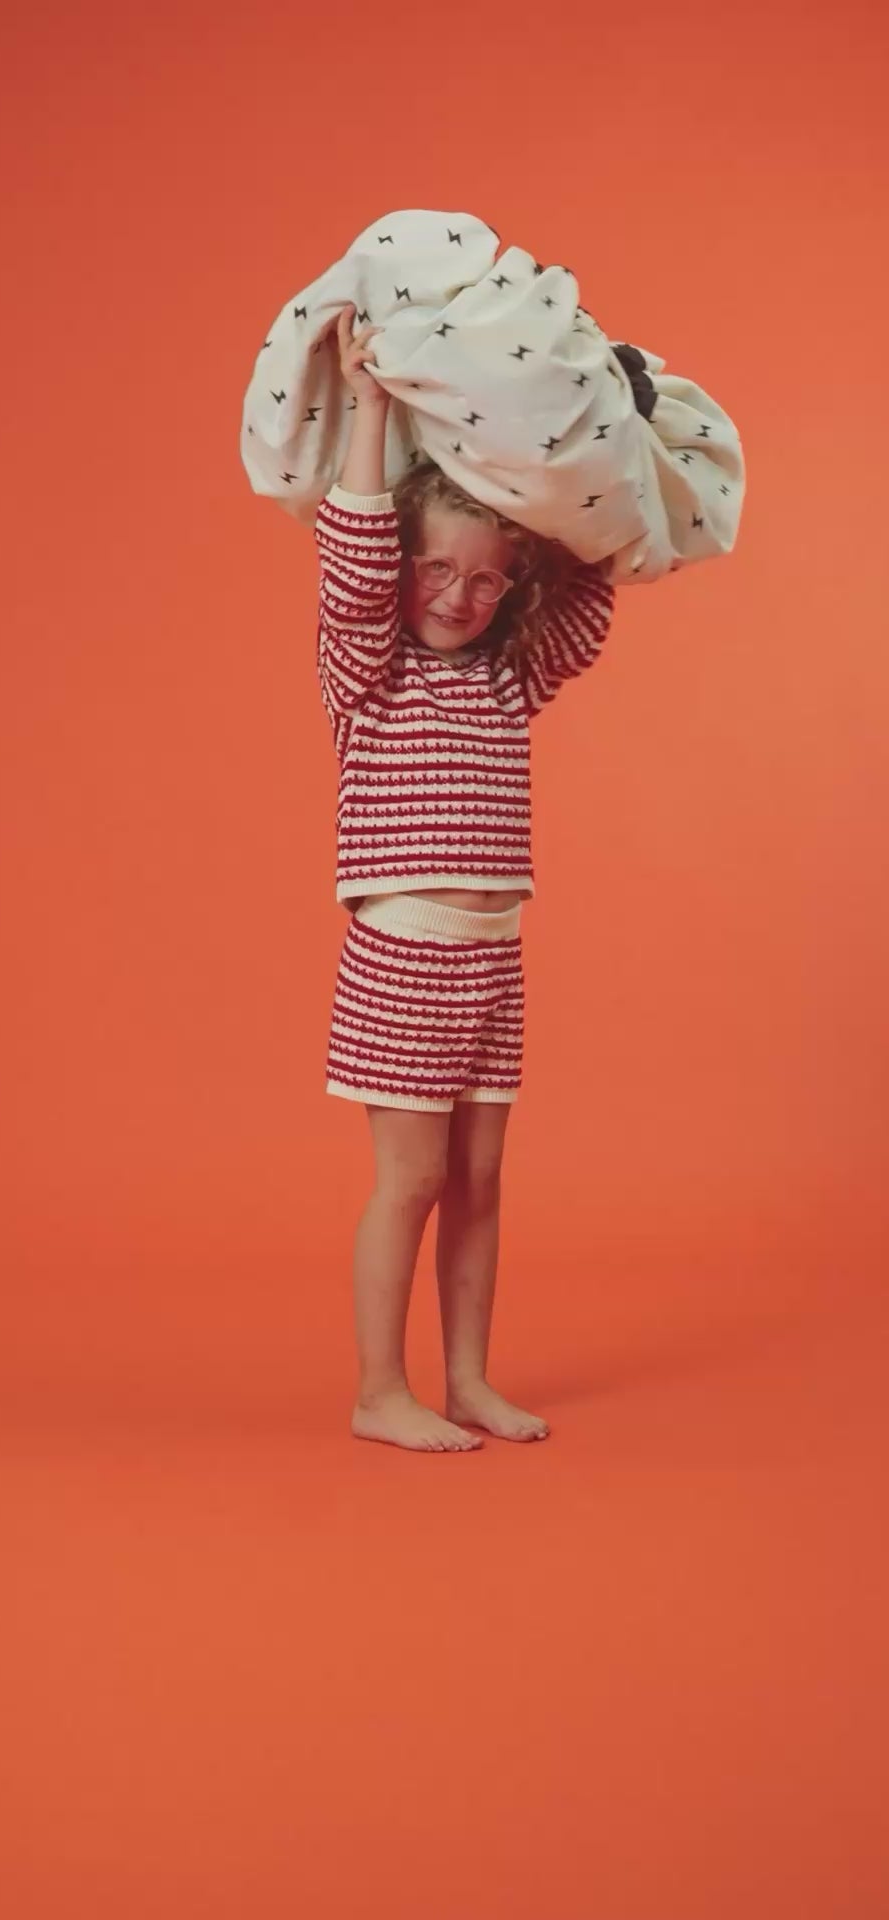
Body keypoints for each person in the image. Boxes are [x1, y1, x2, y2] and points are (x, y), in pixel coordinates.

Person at [316, 305, 616, 1454]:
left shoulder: (506, 678)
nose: (456, 595)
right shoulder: (366, 669)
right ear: (400, 567)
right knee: (411, 1181)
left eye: (485, 581)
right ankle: (378, 1390)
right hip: (406, 954)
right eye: (435, 568)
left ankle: (471, 1379)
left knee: (480, 1180)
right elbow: (353, 563)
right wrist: (371, 408)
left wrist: (581, 430)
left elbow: (588, 585)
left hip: (494, 960)